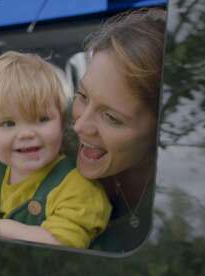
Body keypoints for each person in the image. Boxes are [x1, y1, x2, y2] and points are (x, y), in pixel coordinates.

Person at [0, 51, 111, 253]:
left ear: (62, 122)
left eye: (42, 119)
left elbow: (65, 245)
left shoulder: (78, 186)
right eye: (8, 123)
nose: (26, 133)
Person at [70, 8, 166, 252]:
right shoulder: (53, 159)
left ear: (160, 127)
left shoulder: (181, 198)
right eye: (82, 96)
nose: (79, 126)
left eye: (111, 117)